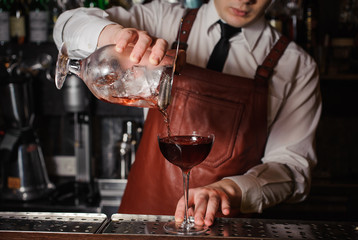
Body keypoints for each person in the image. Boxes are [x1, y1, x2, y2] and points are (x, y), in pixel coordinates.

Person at [54, 0, 322, 227]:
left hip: (225, 226)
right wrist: (112, 36)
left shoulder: (296, 65)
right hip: (140, 222)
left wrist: (231, 189)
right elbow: (67, 24)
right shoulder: (164, 20)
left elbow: (292, 168)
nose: (244, 0)